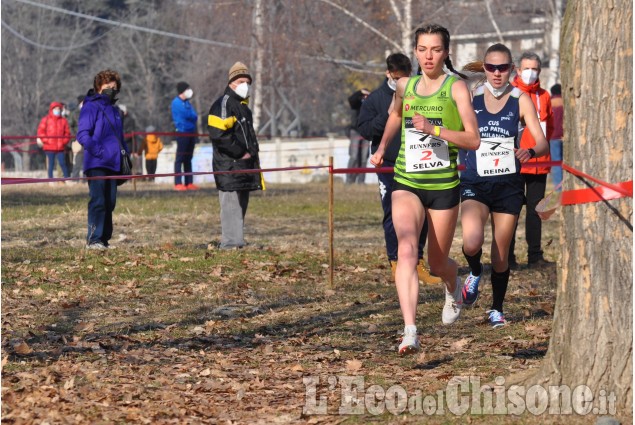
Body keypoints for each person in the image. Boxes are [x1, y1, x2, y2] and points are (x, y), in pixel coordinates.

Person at [369, 24, 480, 355]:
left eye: (435, 49)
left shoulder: (457, 88)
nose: (428, 56)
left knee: (437, 262)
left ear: (446, 52)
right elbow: (393, 116)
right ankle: (410, 332)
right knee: (406, 249)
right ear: (415, 51)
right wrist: (382, 147)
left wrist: (435, 129)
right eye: (422, 49)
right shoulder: (406, 85)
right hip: (407, 181)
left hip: (444, 186)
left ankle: (453, 282)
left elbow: (473, 139)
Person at [459, 44, 550, 328]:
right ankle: (474, 271)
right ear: (484, 68)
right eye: (491, 67)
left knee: (500, 256)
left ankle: (496, 309)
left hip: (509, 185)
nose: (496, 74)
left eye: (502, 68)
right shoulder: (470, 97)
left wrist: (530, 151)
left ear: (511, 69)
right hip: (476, 180)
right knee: (472, 241)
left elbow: (542, 140)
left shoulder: (520, 99)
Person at [357, 52, 441, 285]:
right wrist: (386, 119)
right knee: (393, 215)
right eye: (396, 78)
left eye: (404, 77)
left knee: (421, 214)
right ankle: (396, 261)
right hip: (389, 166)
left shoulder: (418, 91)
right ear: (388, 75)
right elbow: (364, 129)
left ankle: (418, 261)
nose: (401, 82)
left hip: (417, 162)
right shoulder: (375, 99)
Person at [207, 62, 262, 249]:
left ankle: (237, 241)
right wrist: (241, 152)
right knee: (231, 207)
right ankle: (230, 244)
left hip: (244, 167)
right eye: (240, 81)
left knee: (240, 206)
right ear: (231, 82)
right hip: (229, 166)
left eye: (247, 81)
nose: (244, 84)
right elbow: (219, 135)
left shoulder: (243, 107)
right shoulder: (223, 105)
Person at [508, 52, 554, 268]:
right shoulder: (511, 94)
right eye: (526, 68)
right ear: (518, 70)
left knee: (536, 211)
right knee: (511, 211)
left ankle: (534, 256)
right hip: (515, 161)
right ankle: (508, 257)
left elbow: (550, 128)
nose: (530, 72)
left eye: (534, 68)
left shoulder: (545, 96)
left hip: (539, 162)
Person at [77, 69, 128, 250]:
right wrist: (99, 151)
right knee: (98, 201)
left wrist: (125, 157)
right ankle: (94, 239)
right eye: (107, 86)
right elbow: (82, 135)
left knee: (110, 203)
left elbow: (120, 138)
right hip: (97, 163)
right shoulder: (90, 106)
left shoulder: (115, 111)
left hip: (113, 164)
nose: (111, 89)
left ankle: (104, 239)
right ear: (99, 87)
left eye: (114, 87)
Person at [171, 81, 199, 191]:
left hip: (191, 132)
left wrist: (191, 116)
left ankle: (189, 182)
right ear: (182, 91)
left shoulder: (187, 103)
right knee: (180, 158)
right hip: (182, 132)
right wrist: (191, 116)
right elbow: (186, 115)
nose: (189, 91)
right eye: (187, 89)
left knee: (188, 158)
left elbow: (194, 116)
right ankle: (178, 182)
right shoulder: (176, 103)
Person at [37, 101, 71, 180]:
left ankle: (67, 179)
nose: (57, 110)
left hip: (60, 147)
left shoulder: (63, 121)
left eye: (59, 109)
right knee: (51, 164)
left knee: (63, 163)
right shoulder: (46, 120)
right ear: (51, 109)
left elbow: (67, 133)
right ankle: (50, 179)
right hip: (49, 147)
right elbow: (41, 132)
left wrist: (64, 142)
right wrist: (47, 140)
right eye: (56, 109)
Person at [346, 89, 371, 184]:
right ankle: (349, 180)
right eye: (363, 96)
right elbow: (351, 99)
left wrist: (370, 94)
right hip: (355, 131)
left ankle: (361, 181)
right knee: (354, 156)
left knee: (364, 158)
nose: (365, 97)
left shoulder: (371, 104)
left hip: (366, 132)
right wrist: (360, 91)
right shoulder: (356, 103)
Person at [549, 83, 563, 190]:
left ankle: (558, 187)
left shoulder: (549, 103)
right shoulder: (565, 102)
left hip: (553, 136)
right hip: (564, 136)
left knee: (556, 162)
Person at [69, 95, 85, 179]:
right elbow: (70, 126)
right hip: (78, 139)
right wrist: (74, 136)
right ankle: (75, 178)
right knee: (77, 160)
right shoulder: (74, 113)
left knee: (87, 159)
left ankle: (86, 179)